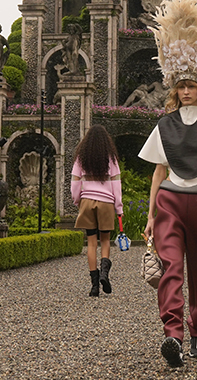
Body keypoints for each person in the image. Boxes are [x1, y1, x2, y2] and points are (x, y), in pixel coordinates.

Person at [139, 0, 197, 367]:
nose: (186, 90)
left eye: (192, 85)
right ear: (175, 89)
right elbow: (158, 171)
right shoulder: (165, 125)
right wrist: (149, 214)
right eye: (181, 86)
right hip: (170, 202)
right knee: (171, 268)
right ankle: (173, 336)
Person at [71, 124, 123, 297]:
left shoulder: (81, 157)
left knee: (91, 243)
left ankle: (94, 286)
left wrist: (78, 200)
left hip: (87, 200)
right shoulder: (111, 158)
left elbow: (75, 182)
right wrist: (119, 207)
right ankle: (104, 274)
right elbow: (116, 184)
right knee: (105, 241)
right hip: (107, 202)